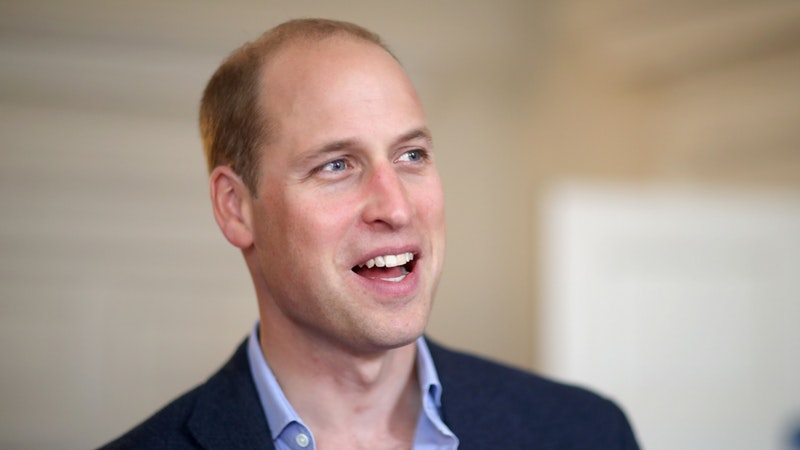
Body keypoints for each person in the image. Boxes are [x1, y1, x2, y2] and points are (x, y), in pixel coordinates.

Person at [101, 18, 639, 449]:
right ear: (236, 208)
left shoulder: (586, 432)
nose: (396, 208)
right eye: (336, 165)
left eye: (412, 156)